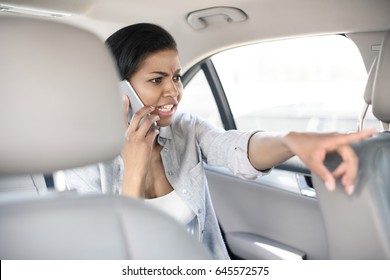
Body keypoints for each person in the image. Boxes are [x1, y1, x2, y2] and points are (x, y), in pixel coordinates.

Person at [64, 23, 375, 259]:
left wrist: (291, 141)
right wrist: (133, 169)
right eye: (156, 79)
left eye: (176, 76)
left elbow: (235, 147)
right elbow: (114, 257)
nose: (174, 92)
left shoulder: (186, 130)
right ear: (119, 90)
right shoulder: (86, 164)